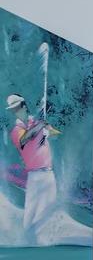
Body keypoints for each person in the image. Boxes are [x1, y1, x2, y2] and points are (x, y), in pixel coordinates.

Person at [7, 93, 61, 245]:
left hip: (48, 174)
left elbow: (56, 136)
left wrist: (48, 131)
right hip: (34, 176)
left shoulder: (38, 123)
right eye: (13, 109)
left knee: (49, 209)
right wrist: (39, 125)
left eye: (18, 107)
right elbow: (25, 139)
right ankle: (28, 241)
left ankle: (45, 241)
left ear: (24, 106)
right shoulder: (16, 130)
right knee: (31, 212)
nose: (16, 111)